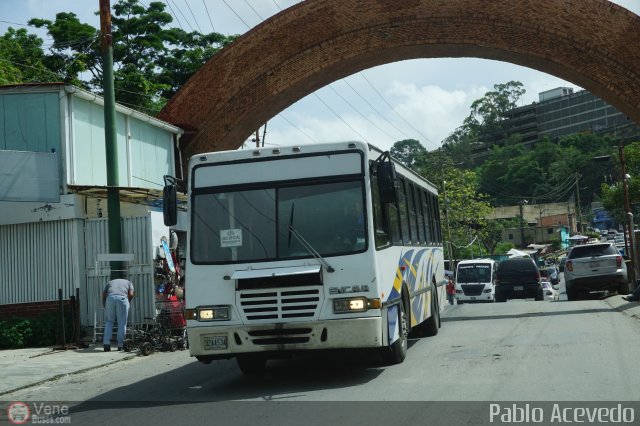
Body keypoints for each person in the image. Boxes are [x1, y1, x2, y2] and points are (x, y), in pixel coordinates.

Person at [102, 277, 135, 352]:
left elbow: (104, 294)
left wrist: (105, 304)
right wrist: (127, 302)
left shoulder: (110, 282)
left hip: (110, 299)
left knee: (109, 322)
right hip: (122, 299)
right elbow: (131, 294)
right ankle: (120, 345)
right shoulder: (129, 282)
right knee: (122, 323)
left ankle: (106, 344)